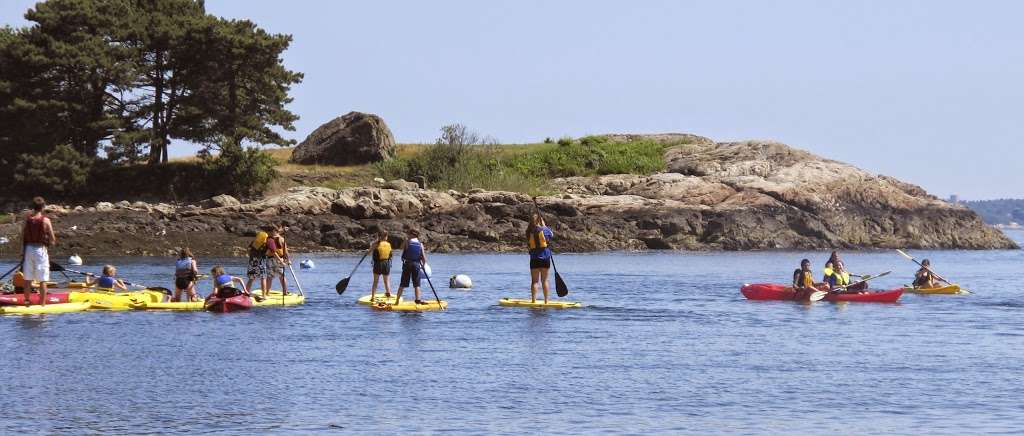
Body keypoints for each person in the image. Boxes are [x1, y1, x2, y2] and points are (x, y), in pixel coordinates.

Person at [21, 197, 56, 306]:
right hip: (40, 250)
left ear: (33, 207)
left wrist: (22, 251)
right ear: (43, 207)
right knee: (42, 279)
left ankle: (27, 302)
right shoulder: (46, 220)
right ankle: (42, 304)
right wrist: (50, 244)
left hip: (28, 249)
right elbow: (52, 239)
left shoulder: (27, 220)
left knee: (27, 278)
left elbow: (23, 236)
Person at [393, 228, 429, 305]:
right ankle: (418, 301)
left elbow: (401, 247)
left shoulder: (407, 242)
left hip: (408, 264)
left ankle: (396, 301)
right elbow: (424, 258)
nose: (407, 235)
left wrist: (405, 240)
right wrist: (423, 265)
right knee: (417, 284)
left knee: (403, 284)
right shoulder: (420, 244)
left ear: (412, 234)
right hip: (416, 265)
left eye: (409, 234)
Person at [526, 214, 554, 304]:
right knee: (544, 280)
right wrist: (544, 226)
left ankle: (533, 300)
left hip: (534, 259)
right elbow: (551, 235)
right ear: (539, 221)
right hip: (545, 257)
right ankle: (546, 301)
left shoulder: (528, 231)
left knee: (534, 281)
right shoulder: (545, 230)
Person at [263, 226, 290, 297]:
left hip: (270, 259)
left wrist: (288, 260)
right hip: (279, 260)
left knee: (270, 276)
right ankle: (285, 292)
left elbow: (285, 251)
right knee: (281, 276)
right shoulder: (281, 239)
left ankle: (267, 292)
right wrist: (288, 260)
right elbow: (286, 251)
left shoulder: (269, 238)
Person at [369, 230, 393, 300]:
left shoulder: (376, 244)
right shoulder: (389, 244)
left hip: (378, 264)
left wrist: (368, 250)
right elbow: (390, 255)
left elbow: (369, 252)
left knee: (375, 281)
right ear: (386, 237)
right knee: (386, 281)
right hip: (386, 264)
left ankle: (373, 297)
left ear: (379, 236)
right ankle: (388, 293)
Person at [245, 230, 269, 295]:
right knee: (263, 277)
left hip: (252, 261)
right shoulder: (265, 244)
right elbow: (269, 252)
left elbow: (248, 249)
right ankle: (264, 295)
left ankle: (246, 293)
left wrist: (250, 255)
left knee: (251, 278)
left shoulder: (254, 242)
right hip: (261, 261)